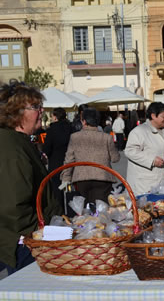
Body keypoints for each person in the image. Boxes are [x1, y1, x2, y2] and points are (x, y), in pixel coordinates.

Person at [0, 81, 62, 275]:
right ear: (17, 113)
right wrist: (34, 233)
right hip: (23, 242)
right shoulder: (12, 148)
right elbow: (13, 202)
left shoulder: (19, 142)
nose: (41, 111)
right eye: (35, 107)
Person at [61, 108, 120, 205]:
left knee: (84, 211)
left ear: (83, 121)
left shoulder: (75, 137)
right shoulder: (106, 137)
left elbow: (69, 160)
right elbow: (115, 158)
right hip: (103, 178)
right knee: (102, 211)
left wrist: (66, 178)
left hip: (81, 179)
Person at [124, 102, 164, 195]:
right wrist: (152, 160)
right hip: (144, 184)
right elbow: (130, 151)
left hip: (163, 182)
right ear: (153, 116)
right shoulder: (139, 131)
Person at [42, 107, 72, 207]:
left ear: (55, 117)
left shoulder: (52, 130)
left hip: (55, 162)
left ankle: (61, 212)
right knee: (69, 188)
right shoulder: (71, 128)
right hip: (70, 161)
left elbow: (47, 148)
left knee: (57, 189)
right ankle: (73, 210)